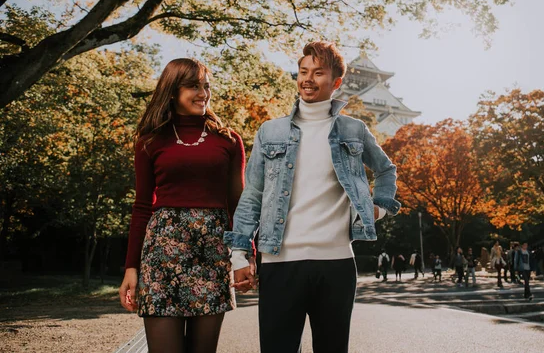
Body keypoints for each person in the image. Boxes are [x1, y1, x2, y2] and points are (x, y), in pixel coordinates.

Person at [224, 41, 401, 353]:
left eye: (318, 73)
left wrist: (379, 208)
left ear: (335, 82)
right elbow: (252, 195)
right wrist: (240, 254)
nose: (308, 78)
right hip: (280, 263)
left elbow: (386, 170)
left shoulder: (354, 130)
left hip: (336, 265)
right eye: (303, 71)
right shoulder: (270, 132)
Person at [118, 58, 245, 353]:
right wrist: (131, 268)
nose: (203, 93)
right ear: (172, 91)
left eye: (206, 86)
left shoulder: (228, 140)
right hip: (161, 257)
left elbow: (238, 204)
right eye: (193, 86)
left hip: (212, 255)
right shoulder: (150, 140)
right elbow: (141, 207)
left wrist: (244, 257)